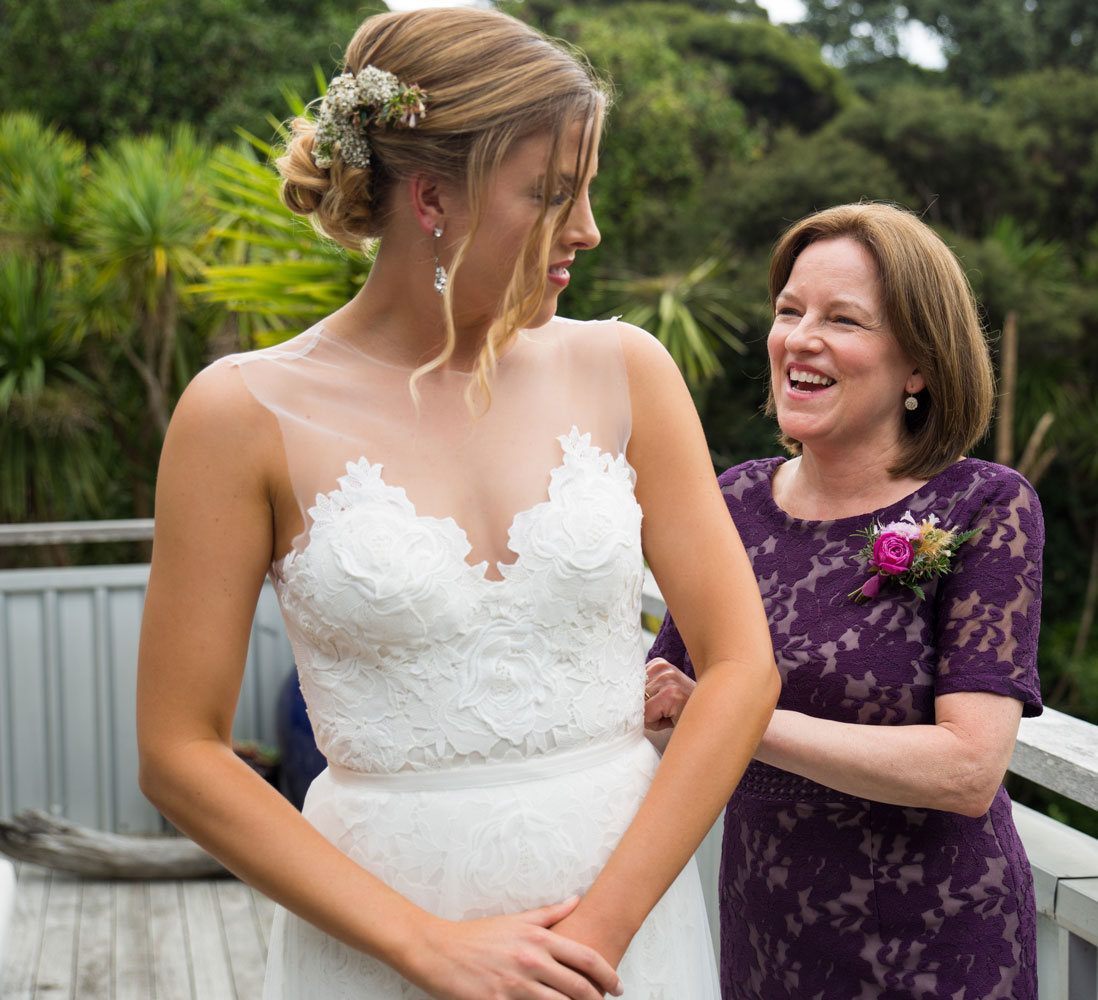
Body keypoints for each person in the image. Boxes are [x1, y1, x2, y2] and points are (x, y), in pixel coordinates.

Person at [135, 8, 778, 999]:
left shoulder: (628, 371)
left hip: (624, 936)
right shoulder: (241, 412)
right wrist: (424, 944)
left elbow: (740, 666)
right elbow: (179, 752)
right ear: (432, 195)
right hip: (380, 940)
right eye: (552, 194)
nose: (589, 230)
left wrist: (594, 941)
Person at [644, 203, 1044, 1000]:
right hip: (765, 934)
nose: (800, 338)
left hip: (939, 949)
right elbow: (663, 711)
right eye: (789, 311)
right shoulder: (734, 502)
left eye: (843, 319)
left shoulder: (985, 506)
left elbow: (968, 767)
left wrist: (738, 718)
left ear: (919, 365)